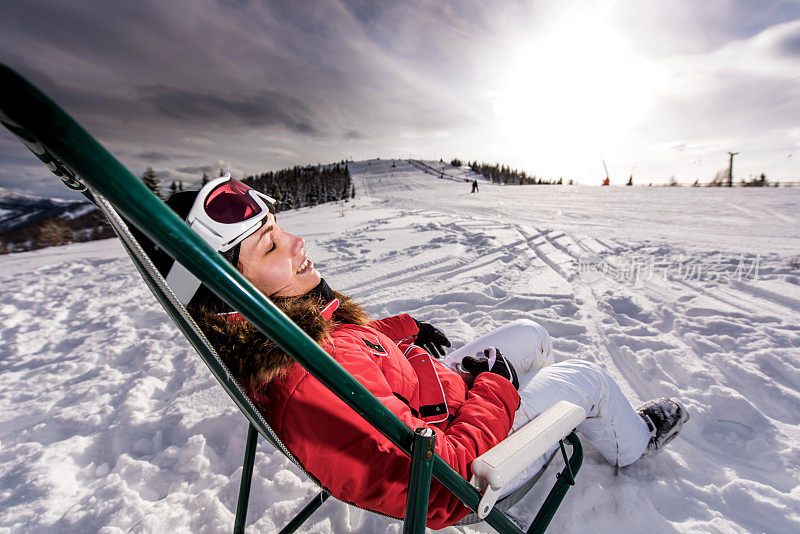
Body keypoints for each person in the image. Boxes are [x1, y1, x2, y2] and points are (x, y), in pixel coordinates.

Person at [139, 175, 689, 529]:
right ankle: (632, 444)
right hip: (469, 456)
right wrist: (495, 390)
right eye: (271, 246)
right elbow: (444, 487)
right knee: (585, 377)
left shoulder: (294, 341)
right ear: (233, 304)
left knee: (529, 334)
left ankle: (545, 412)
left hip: (437, 401)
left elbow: (356, 352)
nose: (297, 242)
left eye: (280, 228)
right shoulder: (312, 384)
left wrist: (403, 329)